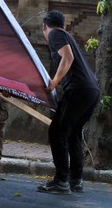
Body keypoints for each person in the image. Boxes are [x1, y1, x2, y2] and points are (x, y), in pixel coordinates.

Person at [37, 10, 100, 194]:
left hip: (79, 90)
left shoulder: (55, 34)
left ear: (44, 27)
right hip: (91, 91)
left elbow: (68, 57)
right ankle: (75, 180)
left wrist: (54, 82)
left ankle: (61, 181)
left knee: (57, 132)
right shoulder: (66, 35)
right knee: (73, 134)